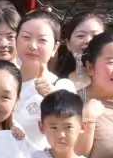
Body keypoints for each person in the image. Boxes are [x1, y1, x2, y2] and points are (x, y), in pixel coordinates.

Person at [9, 10, 77, 147]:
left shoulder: (62, 87)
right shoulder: (4, 82)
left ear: (55, 48)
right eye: (26, 37)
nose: (32, 46)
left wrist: (54, 98)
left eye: (42, 40)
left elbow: (71, 134)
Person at [55, 11, 108, 87]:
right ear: (68, 44)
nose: (88, 40)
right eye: (80, 36)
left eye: (95, 36)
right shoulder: (60, 85)